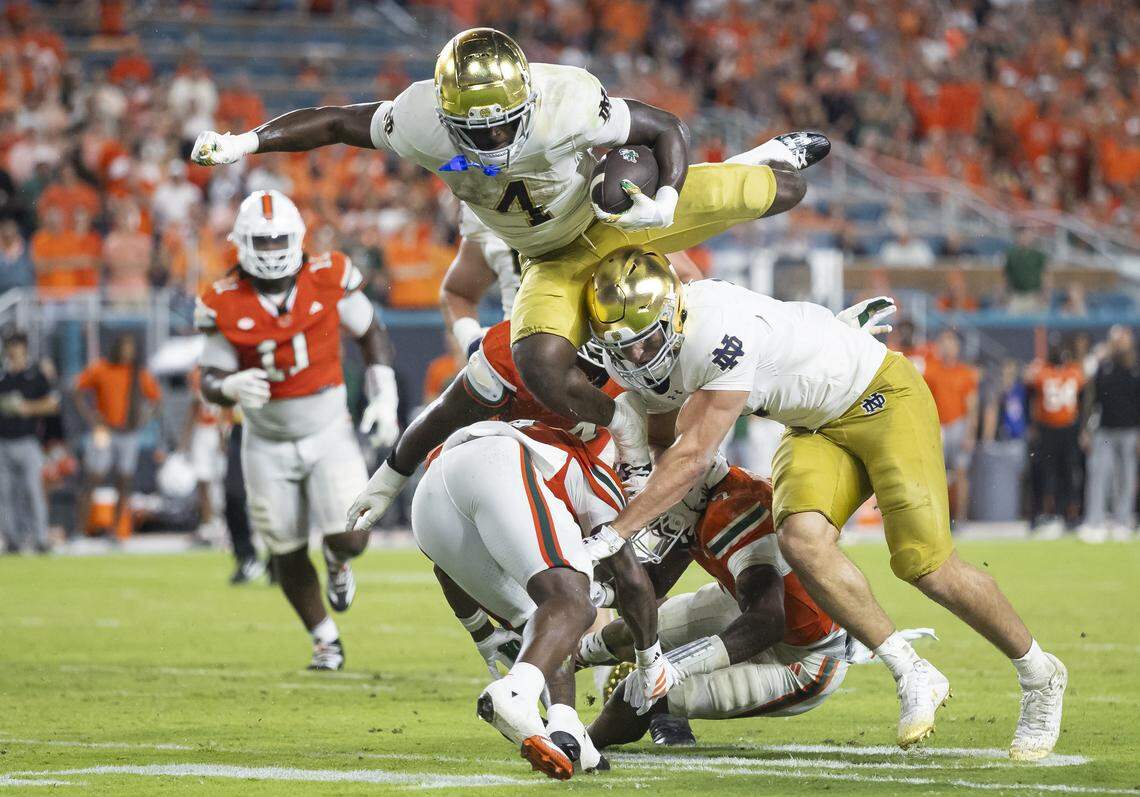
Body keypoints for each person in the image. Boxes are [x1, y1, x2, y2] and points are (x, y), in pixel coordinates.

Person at [190, 26, 822, 452]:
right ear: (444, 113)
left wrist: (663, 201)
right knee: (540, 367)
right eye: (474, 130)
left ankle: (761, 155)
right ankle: (628, 425)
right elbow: (334, 121)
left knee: (785, 190)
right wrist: (248, 141)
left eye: (502, 127)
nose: (490, 143)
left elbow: (662, 128)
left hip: (614, 212)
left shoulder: (567, 101)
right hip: (549, 254)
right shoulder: (420, 119)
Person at [578, 247, 1066, 761]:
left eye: (646, 342)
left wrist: (616, 532)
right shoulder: (675, 317)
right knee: (801, 539)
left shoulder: (716, 336)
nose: (636, 358)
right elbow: (686, 277)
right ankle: (910, 668)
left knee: (926, 564)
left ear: (674, 313)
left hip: (881, 398)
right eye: (623, 347)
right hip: (814, 424)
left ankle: (1039, 674)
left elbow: (693, 455)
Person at [195, 189, 399, 671]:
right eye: (261, 243)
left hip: (328, 428)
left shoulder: (328, 275)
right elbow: (209, 379)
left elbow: (370, 331)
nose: (270, 252)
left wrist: (384, 395)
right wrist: (231, 386)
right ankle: (324, 638)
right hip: (264, 439)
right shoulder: (222, 298)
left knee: (350, 535)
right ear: (243, 244)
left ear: (298, 238)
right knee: (284, 549)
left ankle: (337, 563)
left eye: (278, 241)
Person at [411, 418, 662, 780]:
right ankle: (516, 694)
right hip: (495, 462)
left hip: (429, 499)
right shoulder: (596, 471)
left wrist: (480, 632)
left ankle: (564, 724)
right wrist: (650, 661)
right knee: (572, 602)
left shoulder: (544, 443)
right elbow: (633, 582)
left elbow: (444, 570)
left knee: (544, 618)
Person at [579, 463, 852, 747]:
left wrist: (678, 666)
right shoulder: (702, 498)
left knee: (640, 691)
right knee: (633, 631)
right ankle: (565, 662)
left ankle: (580, 743)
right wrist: (593, 591)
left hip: (802, 657)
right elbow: (656, 582)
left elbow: (768, 622)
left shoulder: (732, 513)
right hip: (745, 603)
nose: (649, 512)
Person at [73, 332, 161, 540]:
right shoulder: (102, 368)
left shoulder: (138, 373)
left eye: (130, 348)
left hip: (128, 433)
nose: (127, 352)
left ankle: (116, 530)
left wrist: (144, 419)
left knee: (124, 480)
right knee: (93, 476)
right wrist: (92, 418)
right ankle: (79, 529)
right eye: (124, 347)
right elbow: (77, 390)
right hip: (104, 430)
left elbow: (156, 398)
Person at [1079, 326, 1140, 542]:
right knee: (1098, 475)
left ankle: (1123, 521)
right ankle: (1095, 522)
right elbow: (1090, 399)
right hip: (1103, 429)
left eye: (1124, 339)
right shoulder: (1103, 365)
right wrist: (1085, 429)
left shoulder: (1136, 366)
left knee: (1127, 477)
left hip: (1130, 430)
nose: (1121, 343)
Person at [0, 331, 58, 553]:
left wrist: (26, 408)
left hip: (28, 441)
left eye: (17, 347)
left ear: (24, 349)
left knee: (33, 491)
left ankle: (41, 538)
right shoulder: (3, 377)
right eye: (10, 347)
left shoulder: (35, 376)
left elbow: (52, 405)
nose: (14, 352)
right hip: (3, 441)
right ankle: (12, 540)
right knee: (5, 495)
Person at [1024, 338, 1086, 536]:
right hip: (1046, 429)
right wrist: (1032, 424)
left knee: (1069, 472)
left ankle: (1068, 514)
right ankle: (1044, 514)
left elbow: (1083, 402)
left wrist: (1083, 428)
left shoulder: (1075, 371)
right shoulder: (1041, 371)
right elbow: (1030, 397)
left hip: (1068, 430)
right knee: (1044, 472)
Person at [922, 330, 979, 522]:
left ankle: (961, 518)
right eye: (944, 343)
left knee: (961, 473)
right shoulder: (931, 370)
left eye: (951, 343)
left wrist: (970, 434)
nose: (948, 347)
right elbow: (924, 401)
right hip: (938, 426)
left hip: (958, 425)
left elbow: (972, 406)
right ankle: (939, 519)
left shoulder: (965, 372)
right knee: (935, 475)